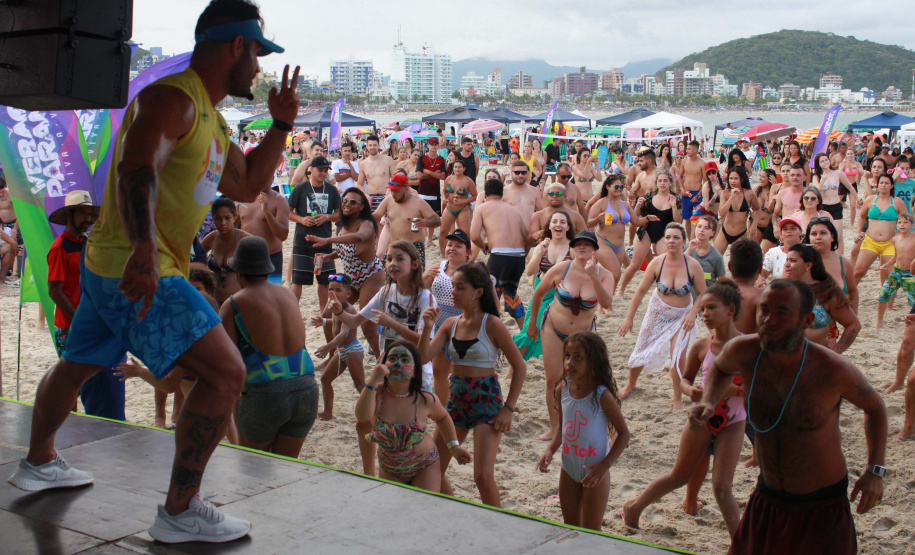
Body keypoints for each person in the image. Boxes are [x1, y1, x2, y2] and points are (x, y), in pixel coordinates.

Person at [8, 1, 299, 543]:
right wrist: (144, 247)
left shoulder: (210, 120)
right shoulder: (171, 100)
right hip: (140, 269)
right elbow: (137, 168)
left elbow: (247, 183)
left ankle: (39, 461)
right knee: (226, 373)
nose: (259, 67)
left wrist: (282, 124)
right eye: (257, 52)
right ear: (235, 45)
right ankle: (180, 510)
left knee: (77, 365)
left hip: (108, 266)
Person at [690, 279, 886, 555]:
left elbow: (875, 407)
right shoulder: (744, 351)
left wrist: (875, 471)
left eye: (782, 312)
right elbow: (719, 369)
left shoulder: (831, 368)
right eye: (764, 310)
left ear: (806, 320)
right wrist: (709, 401)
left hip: (822, 505)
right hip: (768, 496)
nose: (769, 320)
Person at [623, 279, 746, 537]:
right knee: (679, 475)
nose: (705, 314)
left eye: (712, 308)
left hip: (733, 419)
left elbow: (761, 389)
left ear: (731, 310)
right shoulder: (702, 346)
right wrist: (691, 391)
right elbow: (685, 378)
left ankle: (740, 543)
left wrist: (731, 391)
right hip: (700, 417)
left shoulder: (748, 347)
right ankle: (634, 507)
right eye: (702, 309)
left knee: (722, 487)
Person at [418, 262, 527, 508]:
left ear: (478, 292)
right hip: (457, 399)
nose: (453, 292)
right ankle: (452, 509)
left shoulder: (492, 324)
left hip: (486, 400)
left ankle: (497, 526)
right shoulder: (449, 324)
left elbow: (520, 366)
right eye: (453, 286)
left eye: (460, 287)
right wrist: (426, 328)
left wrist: (508, 408)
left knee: (482, 476)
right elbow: (424, 357)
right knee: (433, 466)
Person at [329, 240, 435, 474]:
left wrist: (391, 323)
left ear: (415, 264)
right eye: (388, 259)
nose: (393, 264)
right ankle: (369, 473)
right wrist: (338, 311)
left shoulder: (425, 297)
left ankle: (417, 474)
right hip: (385, 371)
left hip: (415, 372)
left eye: (400, 259)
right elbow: (356, 321)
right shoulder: (386, 291)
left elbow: (424, 342)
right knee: (365, 422)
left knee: (411, 433)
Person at [221, 236, 318, 456]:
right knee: (285, 468)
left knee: (253, 468)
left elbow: (230, 366)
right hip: (307, 389)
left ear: (239, 273)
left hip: (266, 393)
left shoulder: (234, 303)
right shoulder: (289, 295)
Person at [536, 331, 629, 532]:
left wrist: (604, 467)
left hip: (595, 472)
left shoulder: (601, 395)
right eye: (568, 356)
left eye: (578, 357)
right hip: (568, 469)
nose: (570, 362)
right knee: (570, 529)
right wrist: (550, 450)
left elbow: (624, 434)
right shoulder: (563, 389)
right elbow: (562, 427)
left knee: (591, 532)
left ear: (594, 362)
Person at [46, 190, 125, 421]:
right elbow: (54, 290)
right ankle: (70, 424)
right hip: (69, 325)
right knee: (70, 380)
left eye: (90, 213)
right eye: (82, 213)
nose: (88, 219)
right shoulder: (59, 248)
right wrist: (79, 317)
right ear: (69, 215)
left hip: (90, 322)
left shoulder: (89, 244)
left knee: (92, 379)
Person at [526, 231, 614, 439]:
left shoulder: (604, 275)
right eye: (578, 244)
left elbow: (607, 303)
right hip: (553, 329)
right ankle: (555, 428)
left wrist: (593, 275)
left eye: (587, 244)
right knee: (553, 380)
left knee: (584, 381)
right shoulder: (561, 269)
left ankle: (583, 424)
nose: (582, 247)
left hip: (583, 336)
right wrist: (532, 324)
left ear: (595, 250)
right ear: (572, 248)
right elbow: (538, 294)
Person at [356, 340, 472, 489]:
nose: (398, 363)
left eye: (405, 360)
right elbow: (362, 416)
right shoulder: (377, 395)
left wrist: (453, 445)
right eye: (392, 359)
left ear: (415, 372)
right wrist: (373, 380)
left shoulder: (424, 399)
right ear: (383, 366)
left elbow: (443, 417)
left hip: (424, 464)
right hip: (389, 467)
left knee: (424, 505)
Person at [618, 223, 706, 405]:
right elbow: (641, 291)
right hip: (657, 311)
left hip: (683, 315)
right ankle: (630, 384)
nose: (671, 241)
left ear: (684, 242)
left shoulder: (693, 265)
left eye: (676, 237)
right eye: (668, 237)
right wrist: (629, 318)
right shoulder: (657, 263)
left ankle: (676, 397)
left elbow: (704, 294)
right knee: (641, 347)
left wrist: (693, 313)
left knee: (678, 354)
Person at [306, 187, 384, 358]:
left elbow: (358, 238)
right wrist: (329, 256)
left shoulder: (367, 224)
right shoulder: (342, 224)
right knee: (329, 314)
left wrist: (327, 240)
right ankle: (334, 355)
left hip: (371, 276)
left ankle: (381, 360)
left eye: (353, 202)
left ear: (362, 207)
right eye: (345, 200)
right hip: (351, 277)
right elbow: (345, 248)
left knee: (367, 325)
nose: (347, 204)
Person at [287, 156, 341, 338]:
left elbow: (339, 214)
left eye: (326, 170)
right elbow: (288, 211)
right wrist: (302, 219)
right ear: (311, 169)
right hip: (302, 241)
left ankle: (323, 312)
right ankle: (293, 312)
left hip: (324, 240)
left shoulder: (332, 190)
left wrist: (327, 217)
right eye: (321, 170)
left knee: (324, 280)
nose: (324, 173)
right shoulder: (301, 188)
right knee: (298, 279)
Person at [513, 210, 575, 360]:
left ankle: (515, 368)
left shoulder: (573, 248)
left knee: (551, 331)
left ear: (567, 227)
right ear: (549, 226)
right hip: (540, 292)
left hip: (561, 294)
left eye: (562, 222)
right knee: (529, 330)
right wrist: (540, 252)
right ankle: (514, 368)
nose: (558, 225)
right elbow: (529, 272)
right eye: (554, 222)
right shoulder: (542, 246)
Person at [471, 178, 530, 329]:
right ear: (502, 194)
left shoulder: (482, 208)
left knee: (491, 296)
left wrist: (483, 246)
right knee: (510, 294)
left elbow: (474, 236)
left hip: (500, 256)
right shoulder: (513, 209)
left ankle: (493, 332)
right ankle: (524, 331)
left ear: (485, 195)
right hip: (518, 258)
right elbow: (526, 236)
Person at [782, 244, 860, 353]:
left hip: (815, 359)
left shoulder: (827, 293)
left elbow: (853, 325)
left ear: (808, 265)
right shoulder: (783, 289)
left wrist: (834, 353)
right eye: (786, 260)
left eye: (793, 261)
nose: (787, 265)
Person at [424, 229, 472, 403]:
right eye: (449, 244)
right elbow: (422, 293)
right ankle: (443, 411)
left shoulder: (473, 272)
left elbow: (490, 302)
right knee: (439, 372)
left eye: (458, 246)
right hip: (439, 327)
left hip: (464, 327)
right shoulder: (438, 268)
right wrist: (424, 278)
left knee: (463, 373)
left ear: (468, 252)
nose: (452, 248)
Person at [617, 170, 681, 298]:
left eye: (665, 181)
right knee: (635, 265)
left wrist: (673, 206)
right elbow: (635, 216)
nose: (662, 183)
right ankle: (621, 290)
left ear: (670, 183)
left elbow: (679, 221)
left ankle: (664, 290)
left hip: (664, 235)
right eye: (660, 181)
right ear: (656, 183)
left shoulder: (675, 198)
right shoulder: (649, 196)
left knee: (665, 263)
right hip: (645, 231)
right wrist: (638, 205)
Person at [311, 273, 364, 420]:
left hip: (352, 350)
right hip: (342, 351)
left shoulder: (348, 309)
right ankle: (328, 412)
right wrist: (324, 322)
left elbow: (343, 333)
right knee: (325, 380)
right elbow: (335, 322)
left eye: (338, 290)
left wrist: (328, 347)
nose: (333, 293)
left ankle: (376, 411)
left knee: (360, 385)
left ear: (348, 293)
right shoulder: (335, 306)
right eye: (330, 290)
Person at [372, 173, 440, 268]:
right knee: (385, 274)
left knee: (415, 279)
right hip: (395, 245)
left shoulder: (418, 202)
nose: (393, 194)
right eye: (392, 190)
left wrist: (425, 223)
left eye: (397, 191)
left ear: (406, 188)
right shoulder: (389, 200)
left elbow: (437, 220)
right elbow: (376, 215)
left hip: (414, 246)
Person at [855, 173, 909, 287]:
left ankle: (888, 305)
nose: (884, 185)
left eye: (886, 183)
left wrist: (902, 236)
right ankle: (847, 298)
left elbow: (907, 219)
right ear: (877, 185)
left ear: (891, 186)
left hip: (890, 242)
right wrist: (858, 231)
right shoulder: (870, 200)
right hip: (870, 241)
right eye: (881, 183)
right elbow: (862, 216)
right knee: (858, 272)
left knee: (891, 276)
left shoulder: (897, 201)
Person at [238, 186, 288, 284]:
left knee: (271, 296)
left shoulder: (279, 200)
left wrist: (266, 212)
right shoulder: (242, 199)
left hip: (271, 257)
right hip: (246, 256)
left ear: (272, 178)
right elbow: (234, 228)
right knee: (246, 295)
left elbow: (283, 235)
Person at [586, 174, 631, 283]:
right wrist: (597, 219)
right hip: (603, 240)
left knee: (614, 275)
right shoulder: (602, 198)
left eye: (622, 186)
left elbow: (635, 219)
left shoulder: (622, 199)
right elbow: (590, 206)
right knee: (615, 273)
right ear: (608, 186)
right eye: (616, 187)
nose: (619, 189)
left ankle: (606, 298)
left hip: (619, 245)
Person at [807, 218, 858, 315]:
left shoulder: (844, 263)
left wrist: (853, 315)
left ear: (832, 237)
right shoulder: (802, 262)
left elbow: (852, 290)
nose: (818, 237)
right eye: (814, 234)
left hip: (833, 326)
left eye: (823, 233)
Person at [875, 212, 915, 329]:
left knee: (913, 301)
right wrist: (886, 265)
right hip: (897, 272)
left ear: (912, 225)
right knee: (883, 295)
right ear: (896, 225)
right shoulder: (895, 239)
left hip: (910, 274)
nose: (902, 225)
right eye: (899, 222)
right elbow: (896, 256)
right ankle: (879, 321)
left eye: (906, 223)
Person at [812, 153, 855, 254]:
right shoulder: (816, 177)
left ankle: (840, 258)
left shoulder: (838, 173)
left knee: (839, 235)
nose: (825, 162)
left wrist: (857, 198)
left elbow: (849, 186)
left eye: (826, 160)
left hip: (836, 206)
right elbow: (817, 193)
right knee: (823, 233)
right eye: (822, 161)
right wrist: (822, 181)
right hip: (823, 207)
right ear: (818, 164)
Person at [714, 166, 759, 255]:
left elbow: (757, 209)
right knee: (715, 257)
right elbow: (721, 213)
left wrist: (754, 224)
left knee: (740, 262)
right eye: (731, 178)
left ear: (741, 179)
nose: (733, 181)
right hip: (725, 231)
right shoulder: (725, 193)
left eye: (736, 178)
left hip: (741, 233)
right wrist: (731, 198)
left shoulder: (749, 193)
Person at [438, 159, 477, 257]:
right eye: (455, 167)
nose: (457, 169)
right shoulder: (449, 179)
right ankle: (443, 254)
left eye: (459, 167)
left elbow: (475, 196)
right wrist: (444, 198)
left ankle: (467, 254)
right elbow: (443, 190)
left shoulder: (468, 181)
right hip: (450, 207)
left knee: (465, 233)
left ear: (464, 169)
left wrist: (463, 201)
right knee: (443, 231)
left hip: (463, 208)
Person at [728, 238, 764, 335]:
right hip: (748, 349)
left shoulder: (716, 292)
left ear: (729, 266)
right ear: (760, 268)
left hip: (717, 349)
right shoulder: (760, 296)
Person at [416, 137, 446, 244]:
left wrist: (428, 171)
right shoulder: (422, 158)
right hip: (422, 192)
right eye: (431, 144)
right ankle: (424, 238)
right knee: (422, 216)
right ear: (428, 145)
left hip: (435, 193)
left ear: (438, 146)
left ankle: (430, 239)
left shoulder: (441, 159)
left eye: (435, 144)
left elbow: (442, 176)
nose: (433, 146)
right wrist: (434, 173)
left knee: (433, 217)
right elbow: (419, 176)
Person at [757, 216, 804, 286]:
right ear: (781, 234)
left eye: (793, 228)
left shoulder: (808, 252)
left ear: (800, 232)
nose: (788, 231)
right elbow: (762, 275)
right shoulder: (773, 253)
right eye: (785, 229)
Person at [357, 135, 396, 211]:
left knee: (387, 221)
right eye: (370, 145)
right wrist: (365, 194)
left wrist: (390, 192)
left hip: (386, 195)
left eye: (374, 145)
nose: (372, 147)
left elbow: (395, 179)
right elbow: (359, 184)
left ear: (378, 146)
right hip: (371, 197)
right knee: (372, 221)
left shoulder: (388, 160)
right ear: (367, 146)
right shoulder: (363, 164)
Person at [685, 215, 725, 288]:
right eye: (699, 226)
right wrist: (689, 250)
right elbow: (676, 266)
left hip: (706, 296)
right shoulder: (685, 248)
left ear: (712, 233)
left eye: (706, 228)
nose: (701, 230)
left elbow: (722, 281)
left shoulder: (716, 257)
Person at [503, 160, 544, 225]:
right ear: (511, 173)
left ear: (528, 173)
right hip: (511, 232)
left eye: (523, 172)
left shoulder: (534, 191)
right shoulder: (503, 192)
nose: (520, 175)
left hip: (530, 231)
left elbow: (541, 214)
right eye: (517, 172)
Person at [678, 141, 705, 239]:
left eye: (689, 149)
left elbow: (705, 182)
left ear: (695, 150)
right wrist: (682, 189)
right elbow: (680, 177)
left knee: (699, 217)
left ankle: (698, 237)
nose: (686, 150)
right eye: (687, 149)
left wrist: (698, 195)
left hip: (697, 192)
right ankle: (689, 239)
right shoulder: (684, 161)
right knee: (687, 219)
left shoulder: (702, 163)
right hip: (686, 192)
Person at [752, 168, 779, 253]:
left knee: (766, 253)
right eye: (760, 176)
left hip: (770, 226)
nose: (760, 178)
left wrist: (775, 184)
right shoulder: (756, 190)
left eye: (763, 177)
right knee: (752, 250)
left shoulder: (776, 190)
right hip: (757, 224)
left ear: (770, 178)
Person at [0, 173, 20, 284]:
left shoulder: (10, 194)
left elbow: (20, 212)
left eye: (3, 191)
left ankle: (7, 274)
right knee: (10, 245)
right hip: (1, 226)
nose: (1, 194)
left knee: (13, 248)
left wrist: (15, 228)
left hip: (12, 224)